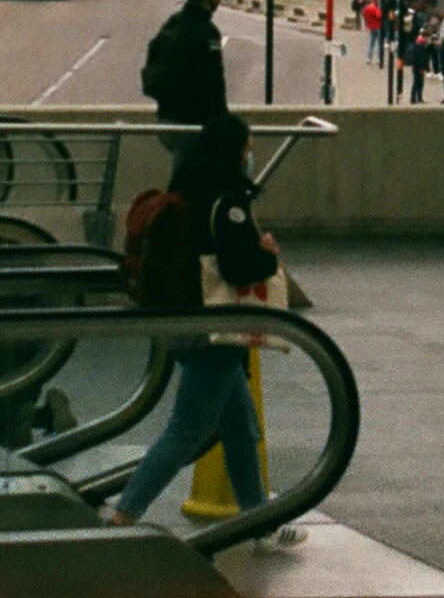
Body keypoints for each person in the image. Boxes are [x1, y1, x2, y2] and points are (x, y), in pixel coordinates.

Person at [103, 114, 308, 548]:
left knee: (239, 427)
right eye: (247, 148)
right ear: (233, 152)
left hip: (189, 323)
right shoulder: (228, 203)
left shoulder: (189, 191)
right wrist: (267, 255)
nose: (250, 157)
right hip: (215, 330)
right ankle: (123, 516)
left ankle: (258, 521)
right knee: (186, 430)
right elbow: (236, 267)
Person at [144, 0, 231, 165]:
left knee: (185, 172)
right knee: (240, 164)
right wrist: (224, 123)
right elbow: (214, 83)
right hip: (192, 124)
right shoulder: (207, 32)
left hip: (165, 119)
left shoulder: (173, 23)